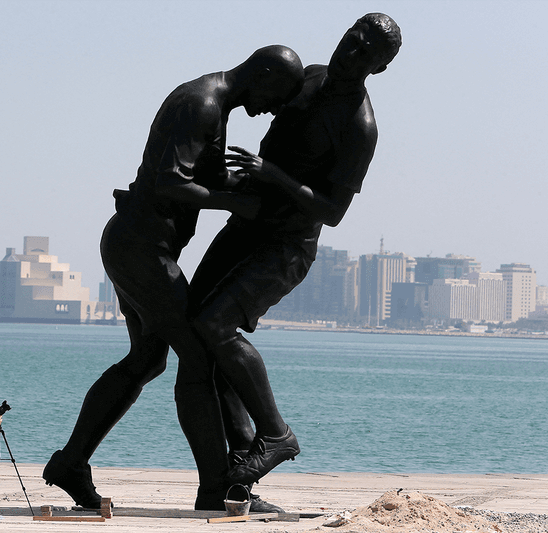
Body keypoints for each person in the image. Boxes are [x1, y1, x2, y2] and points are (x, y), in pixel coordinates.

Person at [43, 45, 305, 511]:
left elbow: (192, 175)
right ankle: (216, 488)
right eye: (278, 95)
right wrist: (236, 203)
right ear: (261, 73)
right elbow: (168, 181)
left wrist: (253, 183)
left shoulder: (214, 106)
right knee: (199, 354)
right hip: (142, 252)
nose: (274, 108)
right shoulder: (202, 103)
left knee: (147, 359)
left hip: (136, 247)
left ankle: (71, 463)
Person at [189, 12, 402, 485]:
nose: (352, 52)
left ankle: (276, 434)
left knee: (215, 324)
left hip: (286, 246)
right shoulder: (309, 77)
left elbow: (332, 210)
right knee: (196, 330)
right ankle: (243, 459)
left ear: (378, 69)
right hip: (245, 225)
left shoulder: (359, 127)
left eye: (367, 53)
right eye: (353, 39)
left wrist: (273, 175)